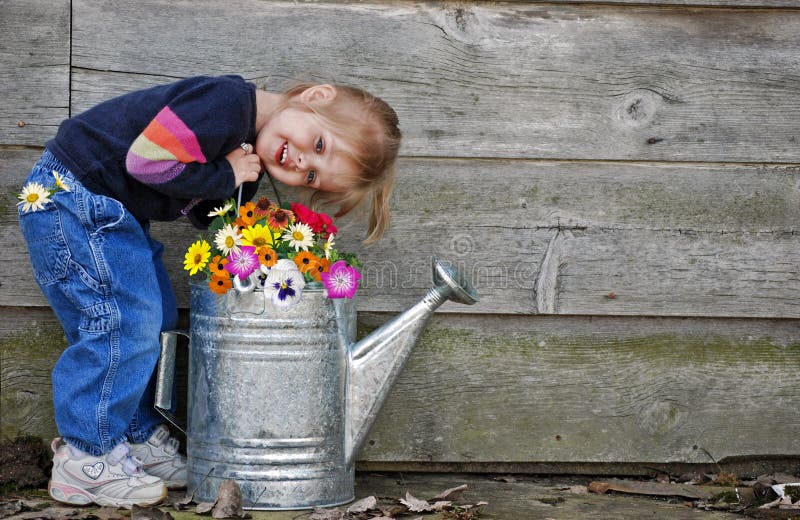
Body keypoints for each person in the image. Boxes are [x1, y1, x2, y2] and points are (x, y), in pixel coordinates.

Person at [17, 75, 401, 508]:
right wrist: (225, 173)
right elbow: (146, 161)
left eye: (312, 174)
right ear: (314, 98)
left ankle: (135, 435)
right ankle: (87, 454)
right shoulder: (228, 105)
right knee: (122, 325)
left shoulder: (248, 150)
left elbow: (203, 213)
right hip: (73, 197)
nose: (299, 164)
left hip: (111, 213)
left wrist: (243, 210)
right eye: (318, 145)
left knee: (156, 317)